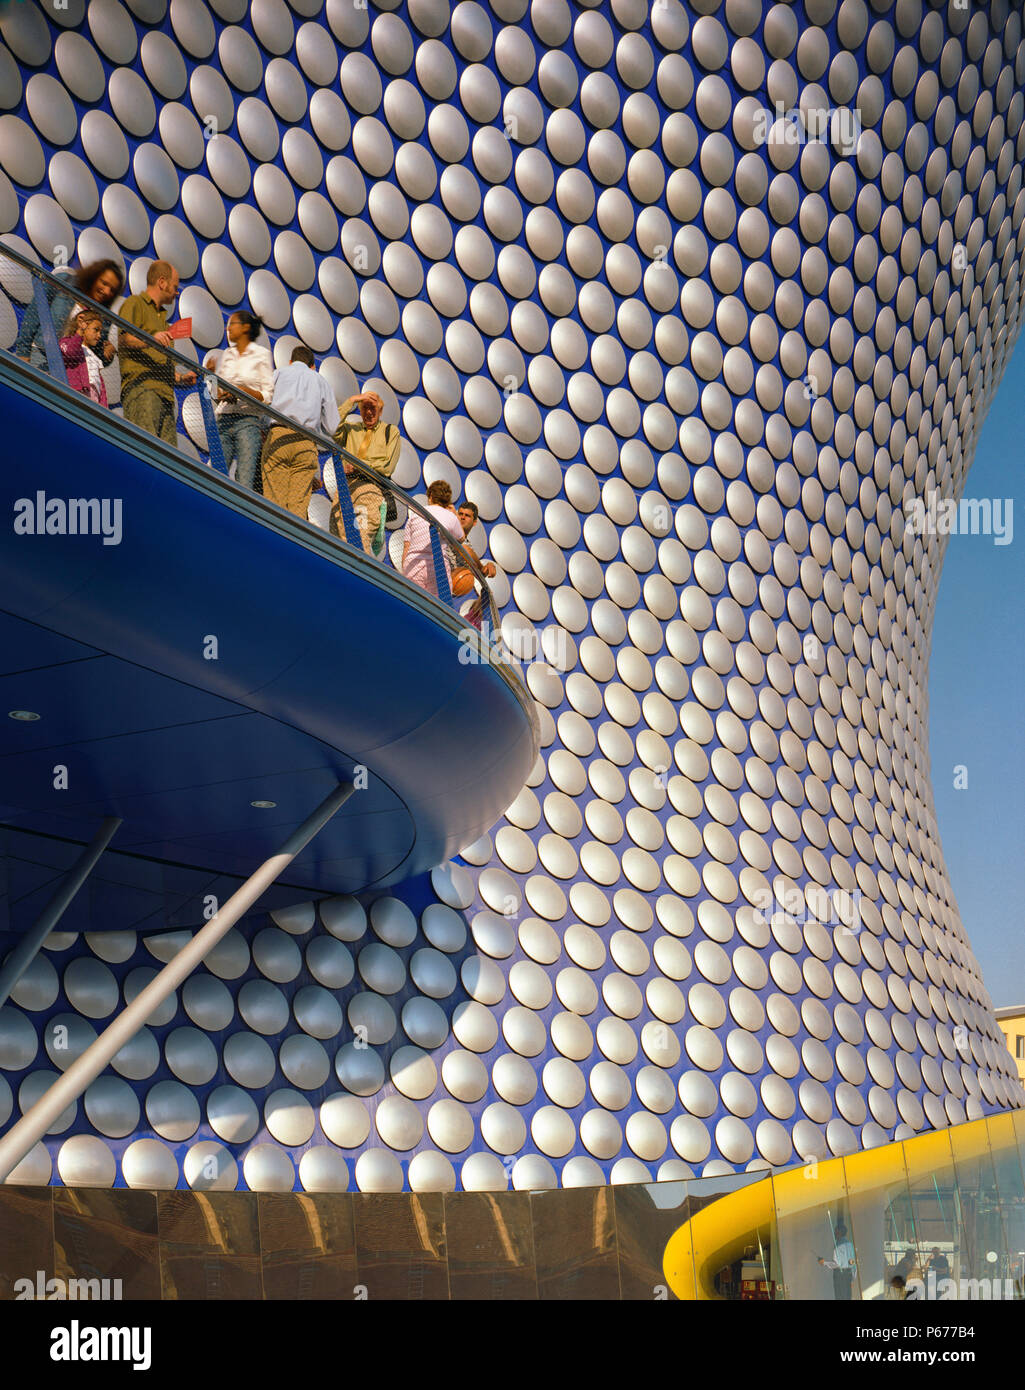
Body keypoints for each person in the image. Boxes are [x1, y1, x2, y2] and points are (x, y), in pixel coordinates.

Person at [117, 260, 195, 445]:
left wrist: (181, 379)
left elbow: (158, 363)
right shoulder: (135, 303)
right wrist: (150, 339)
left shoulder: (163, 320)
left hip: (166, 398)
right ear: (162, 282)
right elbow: (123, 339)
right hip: (142, 390)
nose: (177, 292)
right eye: (175, 287)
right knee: (145, 448)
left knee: (167, 456)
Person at [260, 346, 338, 519]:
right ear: (312, 366)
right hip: (306, 444)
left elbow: (263, 401)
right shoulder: (321, 381)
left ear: (290, 361)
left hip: (278, 437)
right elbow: (332, 426)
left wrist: (264, 428)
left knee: (274, 502)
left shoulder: (279, 373)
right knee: (298, 507)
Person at [204, 310, 273, 492]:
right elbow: (216, 395)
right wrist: (210, 375)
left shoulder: (262, 355)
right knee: (214, 473)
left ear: (245, 328)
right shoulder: (228, 354)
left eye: (232, 324)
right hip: (224, 417)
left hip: (248, 421)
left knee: (244, 478)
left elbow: (267, 395)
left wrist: (242, 391)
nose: (228, 329)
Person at [16, 258, 124, 372]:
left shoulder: (104, 317)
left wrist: (108, 354)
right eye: (104, 283)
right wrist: (23, 352)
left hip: (69, 369)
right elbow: (34, 314)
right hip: (41, 353)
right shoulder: (65, 281)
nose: (107, 291)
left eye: (112, 290)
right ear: (94, 276)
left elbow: (98, 355)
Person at [332, 391, 400, 555]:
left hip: (368, 490)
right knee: (337, 538)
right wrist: (352, 400)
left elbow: (387, 466)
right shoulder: (351, 429)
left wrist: (359, 466)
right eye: (365, 408)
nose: (369, 412)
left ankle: (357, 569)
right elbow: (332, 427)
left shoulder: (390, 431)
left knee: (359, 537)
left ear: (380, 411)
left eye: (373, 408)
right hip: (344, 488)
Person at [401, 479, 464, 596]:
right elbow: (461, 538)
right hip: (438, 567)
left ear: (430, 496)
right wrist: (455, 514)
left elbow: (406, 546)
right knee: (439, 603)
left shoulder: (416, 514)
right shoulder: (451, 517)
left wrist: (405, 570)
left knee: (411, 600)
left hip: (413, 564)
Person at [454, 499, 497, 631]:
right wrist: (481, 566)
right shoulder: (450, 529)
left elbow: (478, 571)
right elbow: (465, 551)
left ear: (474, 522)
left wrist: (488, 566)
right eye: (460, 514)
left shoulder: (468, 543)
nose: (462, 517)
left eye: (467, 515)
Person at [59, 309, 108, 407]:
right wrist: (80, 332)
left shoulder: (93, 356)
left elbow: (100, 385)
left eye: (100, 332)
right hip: (76, 394)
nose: (99, 335)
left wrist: (104, 407)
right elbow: (71, 352)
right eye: (96, 330)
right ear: (81, 324)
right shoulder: (66, 342)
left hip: (94, 402)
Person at [818, 1219, 856, 1300]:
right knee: (847, 1297)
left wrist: (824, 1263)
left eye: (835, 1232)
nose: (834, 1234)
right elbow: (853, 1263)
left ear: (839, 1232)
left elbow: (837, 1264)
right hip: (848, 1275)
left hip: (840, 1276)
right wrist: (852, 1278)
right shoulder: (850, 1245)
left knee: (840, 1297)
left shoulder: (838, 1245)